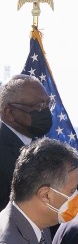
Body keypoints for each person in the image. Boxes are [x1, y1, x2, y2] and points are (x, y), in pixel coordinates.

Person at [0, 74, 53, 211]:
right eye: (39, 106)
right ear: (9, 112)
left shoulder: (41, 146)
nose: (46, 111)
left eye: (48, 103)